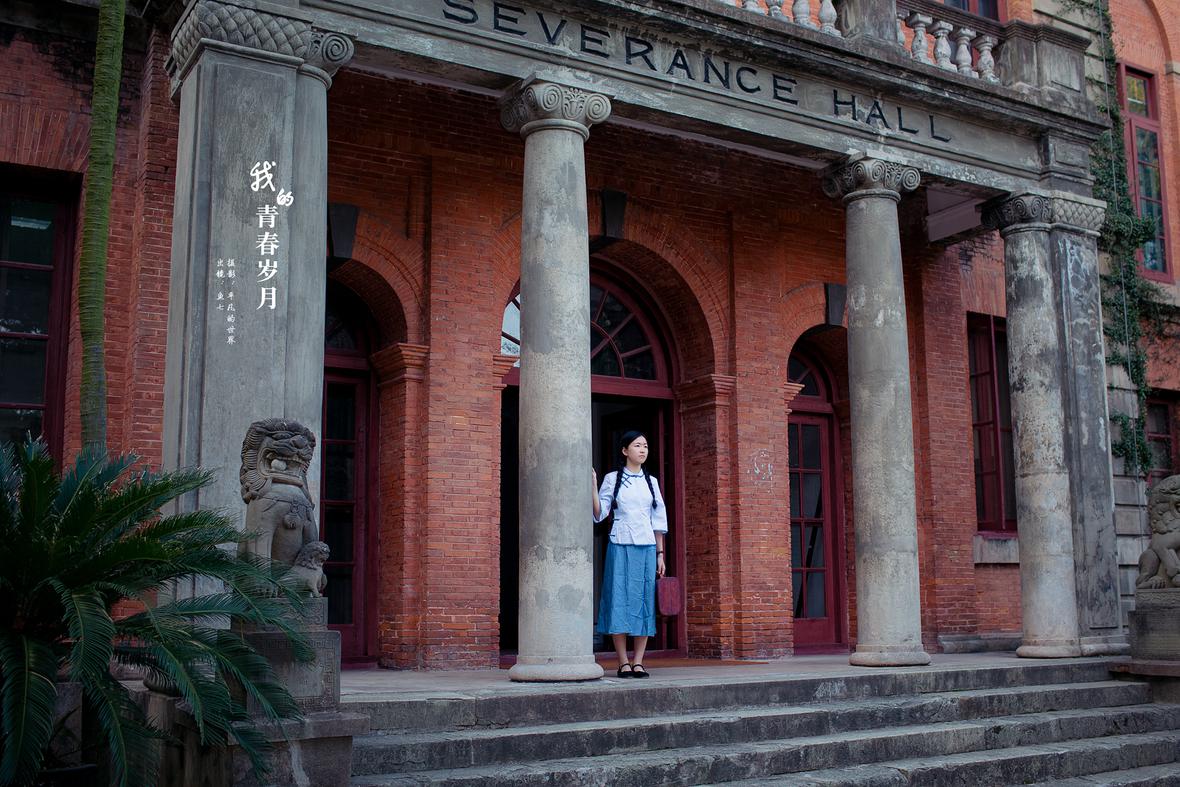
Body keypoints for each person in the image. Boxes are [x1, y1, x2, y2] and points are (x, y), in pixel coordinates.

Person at [592, 430, 668, 678]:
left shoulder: (651, 482)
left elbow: (658, 520)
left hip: (646, 547)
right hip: (620, 543)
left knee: (643, 601)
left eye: (645, 445)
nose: (643, 450)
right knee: (618, 600)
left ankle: (639, 661)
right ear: (625, 451)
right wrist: (592, 486)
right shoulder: (612, 479)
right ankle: (623, 661)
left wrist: (660, 554)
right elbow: (599, 513)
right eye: (637, 445)